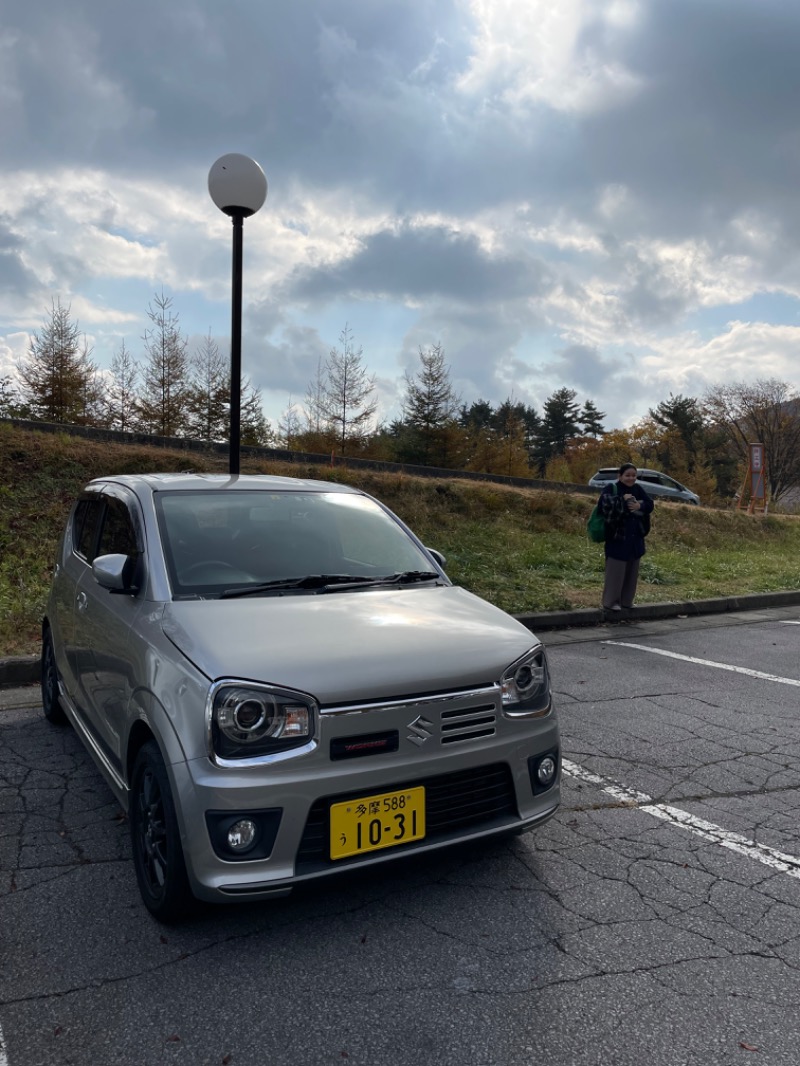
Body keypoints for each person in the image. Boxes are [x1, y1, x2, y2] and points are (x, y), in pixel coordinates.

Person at [598, 462, 654, 612]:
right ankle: (611, 602)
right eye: (627, 475)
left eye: (633, 475)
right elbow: (604, 504)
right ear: (620, 476)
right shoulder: (612, 488)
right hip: (617, 537)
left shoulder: (638, 489)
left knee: (631, 572)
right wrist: (623, 500)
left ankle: (627, 601)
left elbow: (650, 504)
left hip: (635, 539)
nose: (631, 478)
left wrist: (639, 506)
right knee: (615, 572)